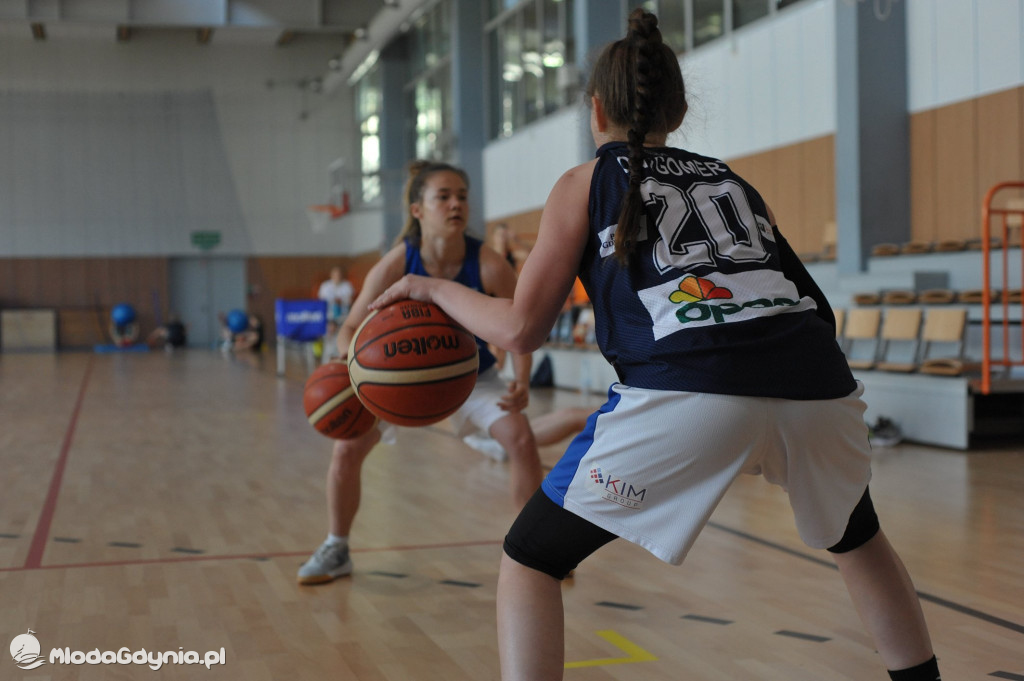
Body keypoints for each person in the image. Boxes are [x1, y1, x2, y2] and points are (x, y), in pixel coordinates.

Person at [369, 10, 940, 681]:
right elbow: (811, 303)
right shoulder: (734, 182)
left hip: (688, 387)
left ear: (595, 109)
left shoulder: (583, 183)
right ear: (679, 108)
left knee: (531, 556)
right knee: (859, 538)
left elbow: (520, 327)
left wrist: (429, 288)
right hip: (820, 384)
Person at [296, 160, 544, 585]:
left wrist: (521, 377)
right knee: (346, 450)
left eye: (462, 196)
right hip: (392, 377)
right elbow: (348, 331)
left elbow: (521, 324)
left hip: (468, 375)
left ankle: (535, 551)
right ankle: (336, 546)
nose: (455, 204)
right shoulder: (397, 263)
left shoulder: (487, 263)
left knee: (520, 438)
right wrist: (357, 367)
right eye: (443, 197)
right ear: (418, 210)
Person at [318, 266, 355, 360]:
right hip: (329, 317)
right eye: (335, 274)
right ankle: (326, 359)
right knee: (329, 332)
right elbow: (321, 304)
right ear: (331, 275)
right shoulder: (325, 286)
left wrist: (340, 301)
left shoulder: (347, 285)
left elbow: (350, 302)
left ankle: (343, 356)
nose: (337, 276)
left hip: (343, 317)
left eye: (339, 274)